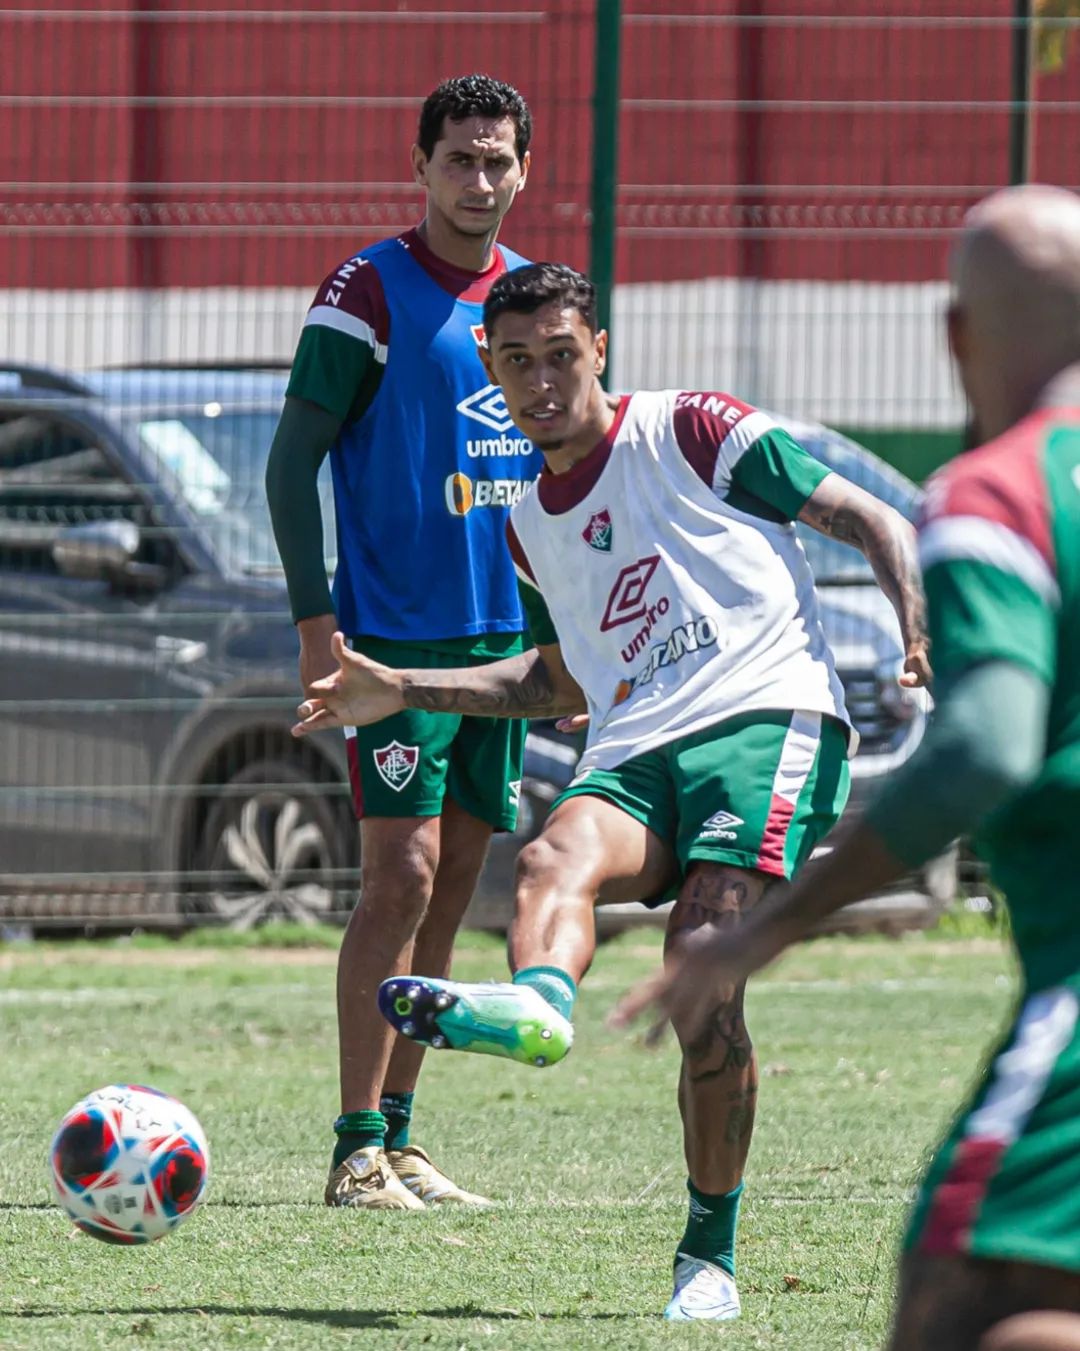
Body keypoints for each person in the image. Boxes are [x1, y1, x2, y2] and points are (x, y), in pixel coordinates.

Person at [291, 261, 929, 1317]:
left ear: (599, 351)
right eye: (515, 363)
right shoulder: (527, 521)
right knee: (549, 857)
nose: (540, 381)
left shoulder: (692, 430)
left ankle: (707, 1257)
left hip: (765, 715)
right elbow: (555, 682)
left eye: (558, 355)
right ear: (492, 376)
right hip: (636, 744)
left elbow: (871, 518)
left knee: (700, 964)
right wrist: (394, 685)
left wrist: (913, 621)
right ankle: (542, 1007)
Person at [613, 184, 1080, 1349]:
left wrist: (770, 927)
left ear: (956, 335)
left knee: (966, 1291)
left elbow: (984, 744)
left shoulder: (1004, 494)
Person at [265, 74, 537, 1212]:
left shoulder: (534, 297)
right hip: (387, 644)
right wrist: (317, 626)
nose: (480, 180)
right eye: (461, 159)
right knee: (399, 877)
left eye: (499, 160)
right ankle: (351, 1146)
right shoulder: (365, 290)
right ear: (420, 166)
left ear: (526, 169)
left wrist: (565, 641)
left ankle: (405, 1143)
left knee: (457, 882)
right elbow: (290, 464)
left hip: (504, 649)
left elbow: (563, 475)